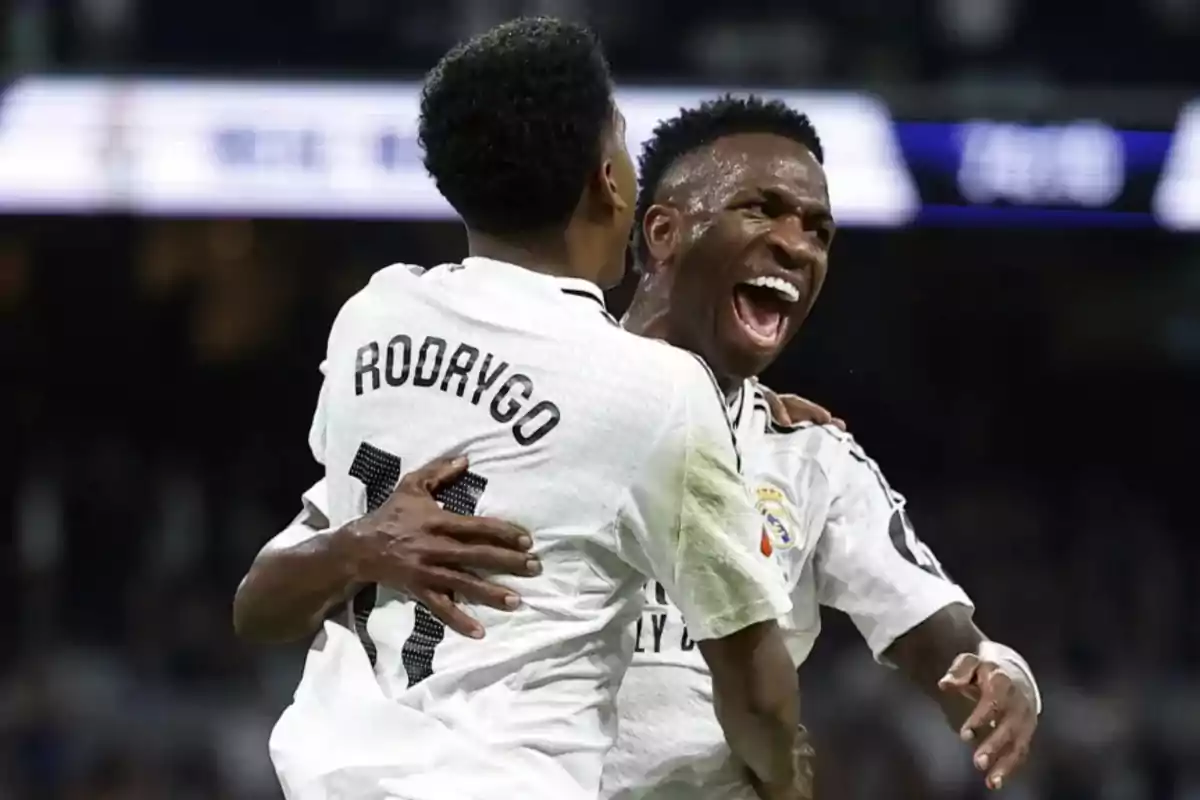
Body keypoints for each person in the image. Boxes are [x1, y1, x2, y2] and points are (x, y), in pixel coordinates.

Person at [238, 95, 1042, 797]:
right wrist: (359, 547)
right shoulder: (513, 399)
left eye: (819, 229)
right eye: (761, 209)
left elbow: (937, 634)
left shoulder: (811, 456)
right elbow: (262, 602)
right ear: (660, 231)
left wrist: (1001, 668)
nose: (797, 245)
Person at [249, 20, 805, 800]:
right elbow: (755, 688)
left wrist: (358, 548)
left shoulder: (373, 318)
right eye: (621, 138)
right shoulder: (659, 392)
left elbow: (257, 609)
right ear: (605, 181)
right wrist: (786, 784)